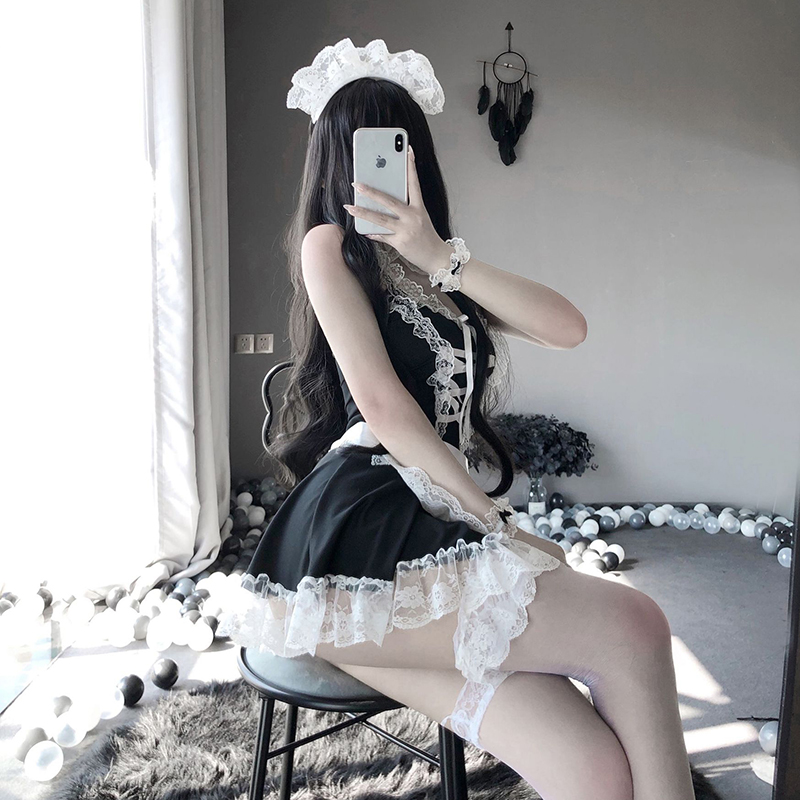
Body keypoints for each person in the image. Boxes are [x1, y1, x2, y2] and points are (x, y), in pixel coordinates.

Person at [221, 37, 723, 800]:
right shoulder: (330, 246)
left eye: (396, 146)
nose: (378, 168)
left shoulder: (438, 267)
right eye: (360, 149)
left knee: (592, 770)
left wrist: (438, 255)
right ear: (334, 162)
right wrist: (495, 522)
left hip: (433, 525)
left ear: (416, 157)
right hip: (362, 530)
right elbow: (384, 406)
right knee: (636, 625)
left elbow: (568, 328)